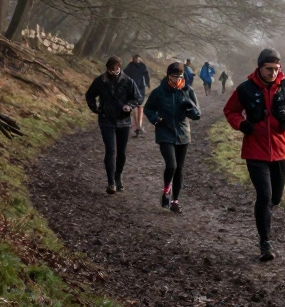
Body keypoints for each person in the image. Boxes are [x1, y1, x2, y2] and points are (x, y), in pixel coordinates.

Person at [224, 48, 285, 261]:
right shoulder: (245, 89)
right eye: (268, 69)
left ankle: (264, 216)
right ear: (260, 68)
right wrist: (241, 124)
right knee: (264, 196)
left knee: (275, 198)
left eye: (276, 69)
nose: (273, 73)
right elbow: (230, 111)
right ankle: (265, 243)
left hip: (281, 150)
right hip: (255, 150)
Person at [144, 62, 202, 213]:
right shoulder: (159, 92)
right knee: (171, 165)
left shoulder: (188, 90)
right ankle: (166, 190)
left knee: (179, 169)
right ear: (168, 76)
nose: (177, 79)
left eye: (180, 76)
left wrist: (189, 108)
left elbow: (197, 114)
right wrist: (155, 119)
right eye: (174, 76)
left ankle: (175, 201)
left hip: (183, 134)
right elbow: (148, 108)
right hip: (165, 132)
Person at [85, 56, 141, 194]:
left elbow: (138, 97)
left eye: (117, 69)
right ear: (108, 69)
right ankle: (110, 182)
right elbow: (89, 95)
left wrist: (130, 105)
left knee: (121, 152)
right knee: (111, 151)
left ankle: (118, 177)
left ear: (120, 67)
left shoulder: (128, 81)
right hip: (106, 120)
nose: (115, 72)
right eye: (112, 70)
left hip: (124, 121)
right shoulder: (100, 81)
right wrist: (95, 108)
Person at [124, 54, 151, 137]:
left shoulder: (142, 66)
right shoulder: (129, 66)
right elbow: (124, 76)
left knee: (140, 106)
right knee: (134, 107)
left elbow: (146, 75)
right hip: (132, 89)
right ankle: (135, 126)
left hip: (141, 88)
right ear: (133, 59)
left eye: (137, 58)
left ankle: (139, 125)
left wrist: (147, 83)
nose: (136, 60)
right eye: (135, 58)